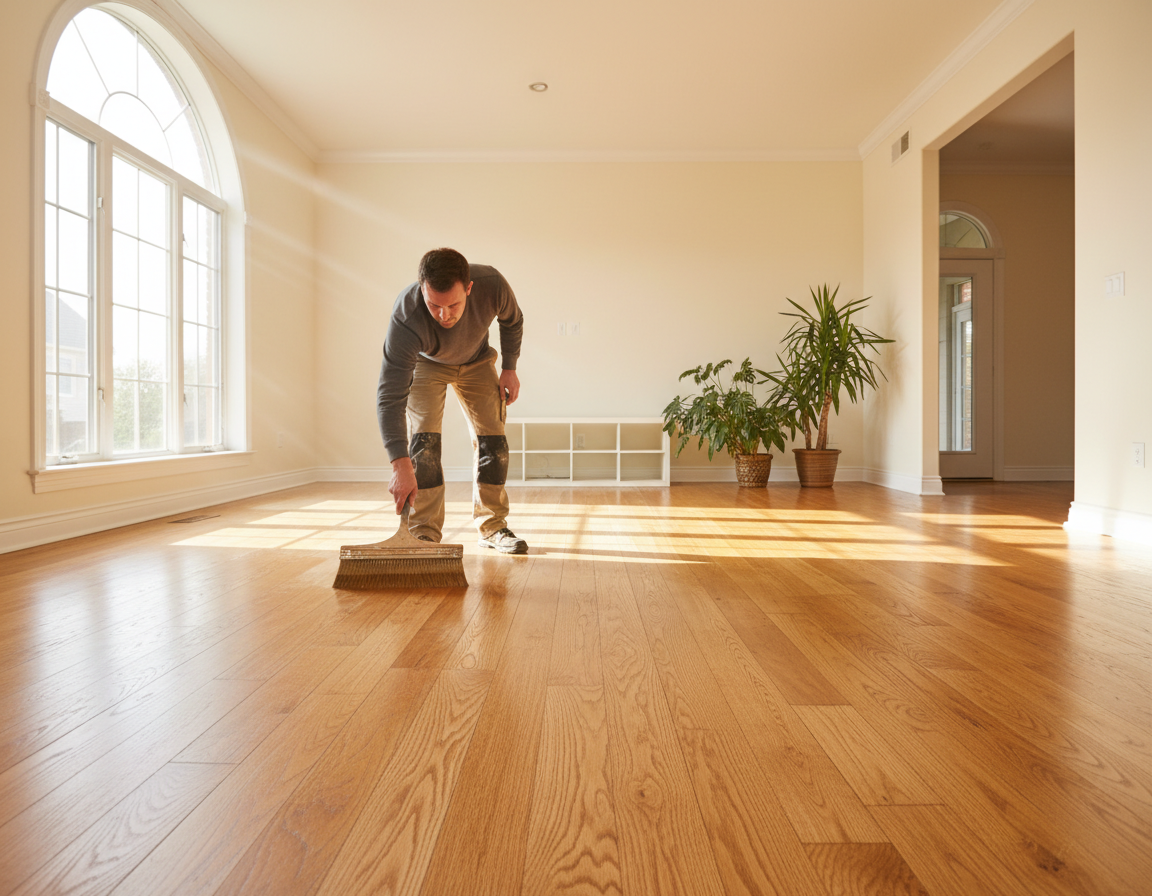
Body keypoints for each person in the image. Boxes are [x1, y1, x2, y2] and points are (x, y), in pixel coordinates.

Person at [376, 248, 528, 553]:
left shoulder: (491, 284)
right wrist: (399, 463)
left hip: (477, 360)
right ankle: (424, 533)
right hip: (426, 363)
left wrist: (509, 367)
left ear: (469, 288)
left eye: (453, 305)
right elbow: (390, 395)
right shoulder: (406, 317)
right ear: (422, 289)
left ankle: (492, 526)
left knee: (493, 443)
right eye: (434, 305)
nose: (444, 315)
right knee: (425, 444)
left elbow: (513, 320)